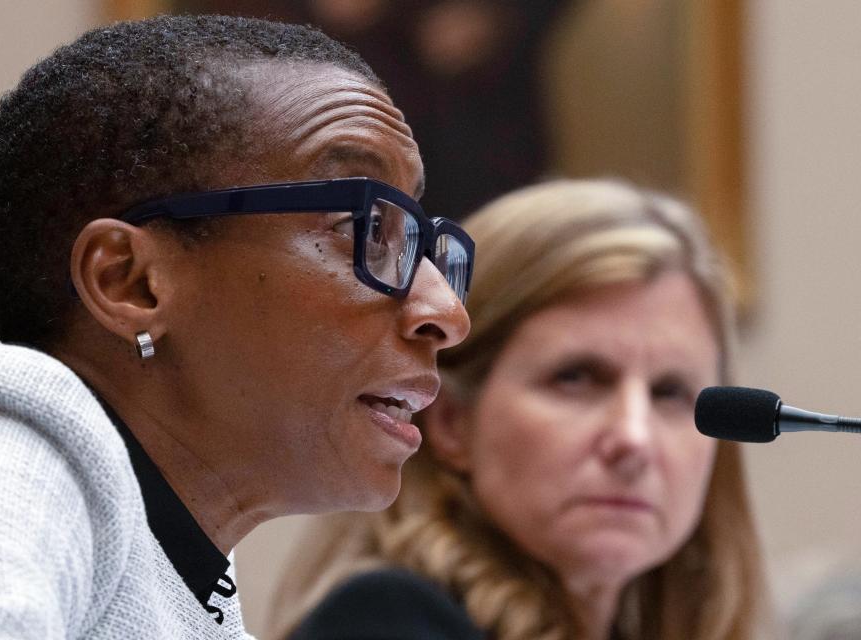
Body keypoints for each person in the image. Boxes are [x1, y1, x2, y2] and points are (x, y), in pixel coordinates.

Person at [0, 14, 472, 640]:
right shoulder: (3, 440)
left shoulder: (183, 564)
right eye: (361, 228)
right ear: (131, 282)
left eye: (422, 245)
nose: (446, 312)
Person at [270, 179, 768, 640]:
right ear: (452, 423)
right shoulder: (384, 624)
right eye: (574, 378)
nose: (634, 439)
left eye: (672, 393)